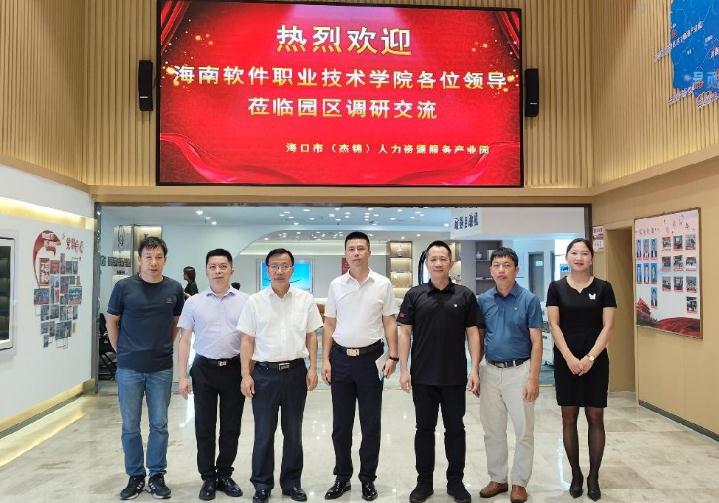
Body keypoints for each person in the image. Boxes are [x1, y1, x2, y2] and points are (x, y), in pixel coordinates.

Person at [397, 241, 482, 503]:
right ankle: (424, 482)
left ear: (451, 262)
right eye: (433, 259)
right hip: (422, 377)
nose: (438, 263)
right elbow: (405, 333)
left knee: (455, 430)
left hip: (455, 377)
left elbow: (473, 333)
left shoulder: (465, 295)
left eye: (443, 258)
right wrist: (404, 369)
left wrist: (474, 369)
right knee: (424, 430)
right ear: (427, 263)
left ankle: (455, 482)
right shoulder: (414, 295)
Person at [237, 248, 323, 503]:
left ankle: (292, 483)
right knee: (264, 433)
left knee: (293, 432)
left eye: (284, 266)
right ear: (267, 270)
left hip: (296, 373)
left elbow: (311, 336)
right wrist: (245, 375)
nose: (279, 270)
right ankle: (262, 484)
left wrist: (312, 368)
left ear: (292, 270)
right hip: (264, 375)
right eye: (274, 266)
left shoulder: (305, 300)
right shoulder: (255, 302)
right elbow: (246, 340)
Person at [321, 231, 399, 502]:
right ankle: (342, 477)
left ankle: (368, 479)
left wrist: (393, 356)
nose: (356, 253)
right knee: (341, 426)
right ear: (345, 254)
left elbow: (389, 321)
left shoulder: (383, 284)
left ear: (369, 252)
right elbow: (329, 323)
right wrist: (325, 360)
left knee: (370, 424)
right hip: (341, 360)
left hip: (371, 360)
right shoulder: (336, 285)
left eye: (361, 248)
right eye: (351, 249)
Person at [106, 236, 184, 500]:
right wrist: (121, 350)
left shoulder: (174, 288)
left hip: (161, 368)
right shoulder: (124, 287)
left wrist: (163, 345)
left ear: (165, 259)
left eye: (158, 257)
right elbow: (112, 320)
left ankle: (157, 475)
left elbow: (176, 322)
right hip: (129, 368)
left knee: (159, 424)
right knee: (130, 425)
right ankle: (135, 475)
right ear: (140, 259)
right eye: (148, 257)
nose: (153, 262)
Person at [546, 238, 616, 501]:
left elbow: (608, 326)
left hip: (595, 360)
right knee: (569, 417)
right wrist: (569, 357)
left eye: (584, 253)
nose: (579, 257)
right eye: (574, 253)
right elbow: (554, 325)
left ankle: (593, 476)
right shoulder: (556, 288)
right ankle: (575, 474)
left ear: (591, 258)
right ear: (567, 257)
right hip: (566, 360)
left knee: (595, 416)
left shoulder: (604, 287)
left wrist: (589, 358)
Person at [177, 249, 249, 500]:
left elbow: (250, 340)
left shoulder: (246, 301)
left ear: (231, 270)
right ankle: (208, 477)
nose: (218, 271)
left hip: (234, 369)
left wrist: (247, 373)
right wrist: (182, 376)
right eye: (213, 267)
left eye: (223, 266)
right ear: (206, 270)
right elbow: (184, 340)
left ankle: (225, 474)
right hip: (204, 369)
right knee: (204, 426)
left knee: (231, 427)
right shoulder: (193, 302)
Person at [476, 247, 543, 503]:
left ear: (516, 269)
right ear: (491, 270)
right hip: (490, 371)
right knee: (492, 430)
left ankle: (520, 482)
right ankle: (498, 478)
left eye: (507, 265)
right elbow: (479, 338)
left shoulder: (529, 299)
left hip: (520, 371)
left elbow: (536, 341)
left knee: (523, 431)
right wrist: (475, 370)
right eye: (497, 265)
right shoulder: (483, 300)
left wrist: (533, 377)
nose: (501, 270)